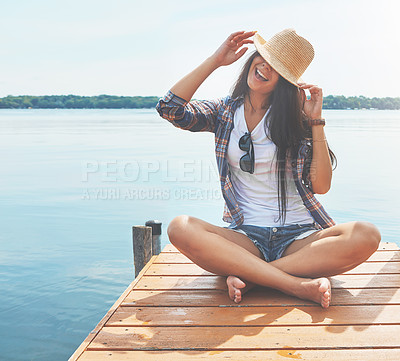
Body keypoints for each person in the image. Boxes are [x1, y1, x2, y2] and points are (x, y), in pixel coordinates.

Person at [156, 29, 381, 308]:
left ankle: (253, 275)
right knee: (180, 227)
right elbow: (170, 108)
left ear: (284, 83)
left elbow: (321, 186)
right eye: (264, 57)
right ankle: (294, 285)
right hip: (244, 237)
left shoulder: (295, 122)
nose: (265, 66)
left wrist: (316, 122)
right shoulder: (225, 112)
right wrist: (216, 60)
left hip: (299, 239)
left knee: (367, 234)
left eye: (277, 67)